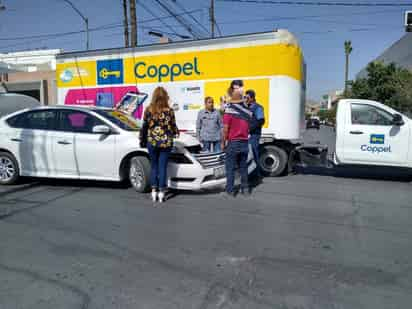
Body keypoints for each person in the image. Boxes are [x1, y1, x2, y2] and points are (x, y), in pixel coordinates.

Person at [139, 87, 179, 204]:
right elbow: (173, 126)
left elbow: (144, 127)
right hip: (166, 142)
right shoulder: (169, 111)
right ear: (165, 96)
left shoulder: (148, 110)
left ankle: (153, 191)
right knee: (162, 167)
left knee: (154, 166)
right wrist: (176, 132)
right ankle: (162, 192)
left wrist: (142, 141)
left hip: (152, 142)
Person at [222, 80, 252, 197]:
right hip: (244, 142)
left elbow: (225, 129)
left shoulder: (228, 112)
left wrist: (223, 142)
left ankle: (230, 190)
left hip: (233, 143)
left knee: (230, 168)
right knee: (243, 167)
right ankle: (245, 188)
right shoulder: (247, 112)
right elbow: (248, 127)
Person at [245, 89, 265, 181]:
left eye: (247, 97)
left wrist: (250, 129)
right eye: (245, 97)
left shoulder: (258, 107)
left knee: (254, 154)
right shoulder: (246, 107)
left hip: (254, 135)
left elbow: (261, 121)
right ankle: (250, 173)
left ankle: (256, 175)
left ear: (252, 98)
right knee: (247, 155)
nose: (246, 99)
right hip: (246, 135)